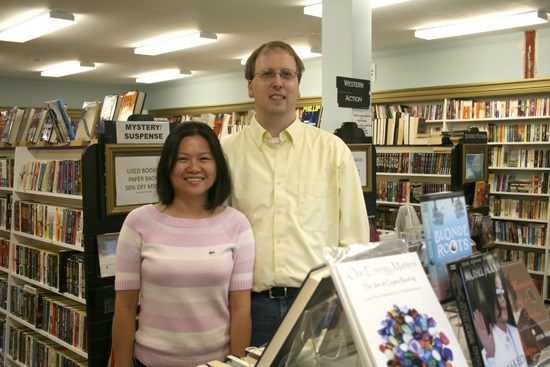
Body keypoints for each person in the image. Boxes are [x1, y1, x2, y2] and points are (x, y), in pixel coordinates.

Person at [222, 40, 370, 346]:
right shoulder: (225, 154)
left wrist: (346, 306)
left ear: (298, 86)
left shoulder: (332, 151)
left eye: (287, 74)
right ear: (250, 86)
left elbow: (354, 238)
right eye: (267, 74)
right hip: (249, 307)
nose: (278, 82)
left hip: (318, 305)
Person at [112, 122, 255, 367]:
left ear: (217, 166)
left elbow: (241, 308)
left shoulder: (237, 224)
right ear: (167, 165)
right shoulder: (138, 222)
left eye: (204, 158)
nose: (194, 168)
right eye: (183, 159)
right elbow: (124, 307)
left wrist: (237, 364)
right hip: (150, 361)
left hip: (216, 363)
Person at [473, 272, 528, 367]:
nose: (503, 299)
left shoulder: (519, 332)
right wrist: (490, 356)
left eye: (503, 293)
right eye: (497, 294)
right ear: (488, 300)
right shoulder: (486, 352)